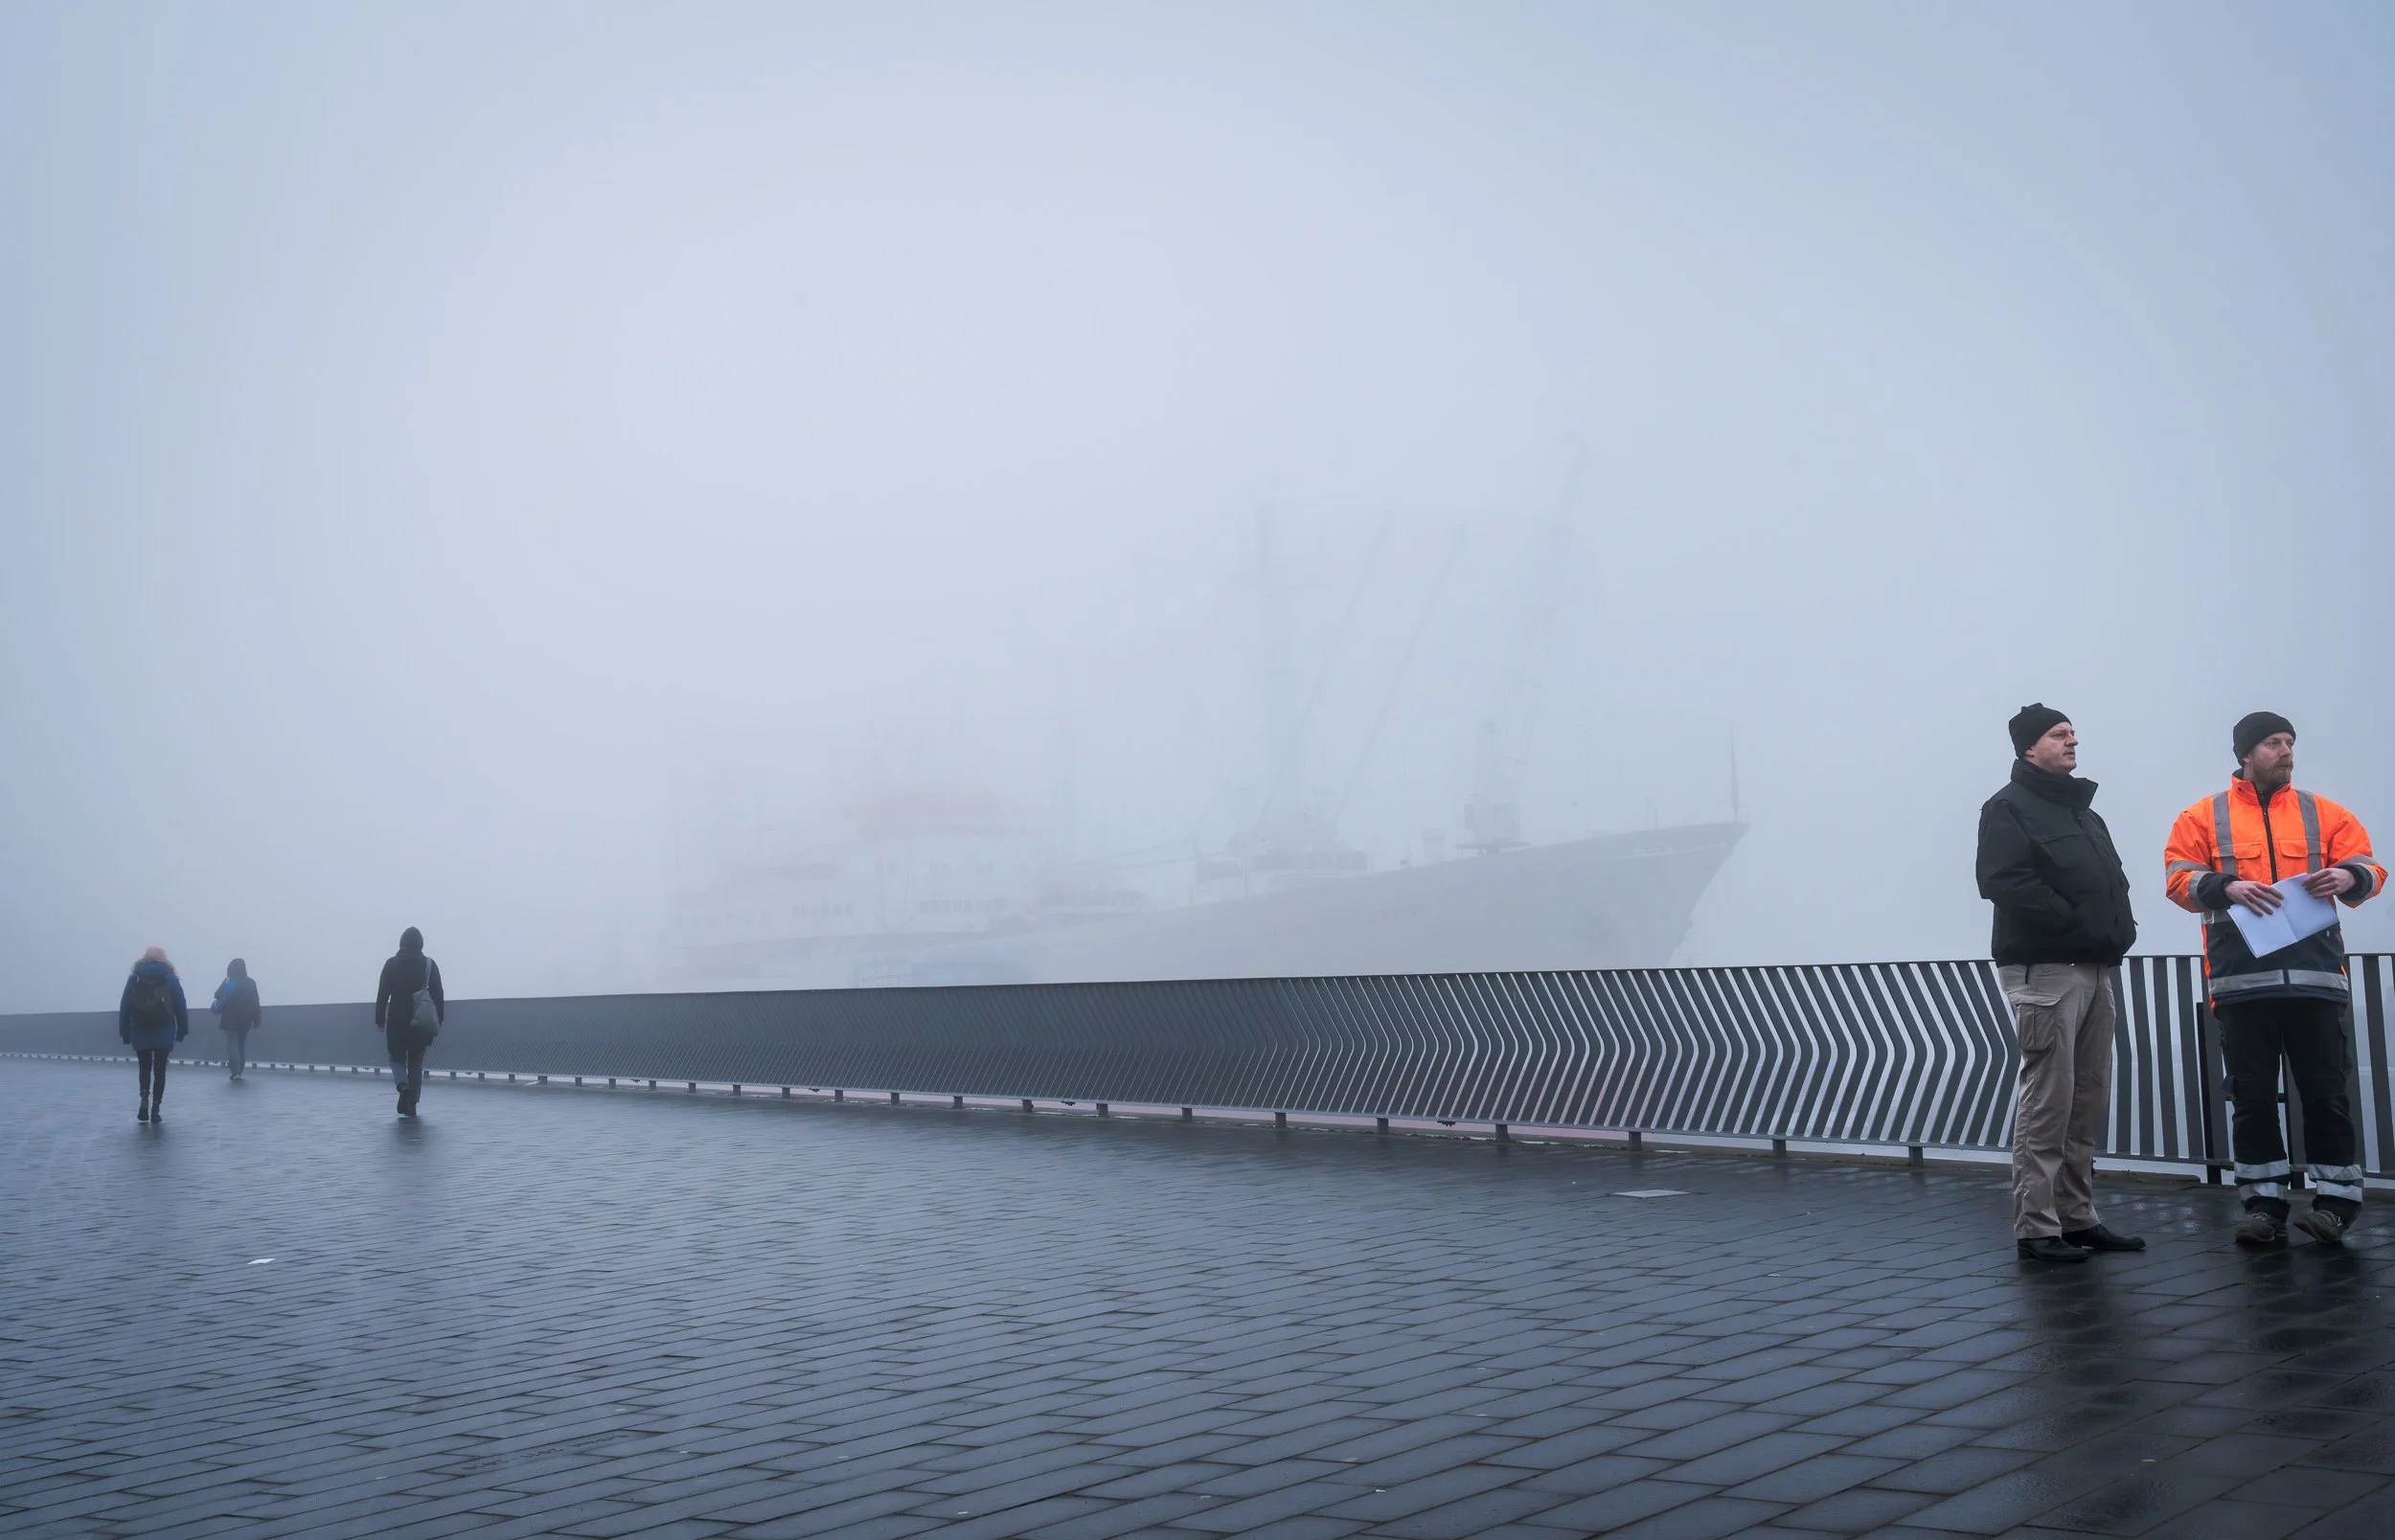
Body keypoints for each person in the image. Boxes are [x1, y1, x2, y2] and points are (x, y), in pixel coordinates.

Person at [2165, 712, 2384, 1248]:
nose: (2285, 750)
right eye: (2272, 742)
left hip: (2315, 980)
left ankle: (2336, 1204)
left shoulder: (2324, 812)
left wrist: (2350, 874)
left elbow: (2372, 869)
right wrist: (2226, 887)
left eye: (2289, 742)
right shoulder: (2202, 816)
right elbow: (2177, 878)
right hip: (2242, 984)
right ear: (2245, 754)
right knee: (2254, 1098)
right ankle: (2264, 1207)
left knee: (2326, 1094)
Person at [1975, 704, 2145, 1263]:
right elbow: (2004, 881)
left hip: (2095, 967)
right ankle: (2037, 1226)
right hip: (2046, 969)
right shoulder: (2007, 807)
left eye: (2073, 733)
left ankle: (2077, 1216)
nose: (2073, 741)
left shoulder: (2083, 814)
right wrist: (2077, 924)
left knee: (2087, 1098)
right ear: (2029, 748)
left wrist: (2120, 927)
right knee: (2048, 1100)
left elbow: (2108, 883)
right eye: (2058, 734)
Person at [374, 927, 445, 1118]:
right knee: (416, 1061)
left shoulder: (391, 964)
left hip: (397, 1018)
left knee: (396, 1057)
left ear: (401, 943)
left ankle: (402, 1086)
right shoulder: (429, 964)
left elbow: (382, 994)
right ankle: (412, 1104)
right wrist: (440, 1019)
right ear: (421, 944)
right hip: (420, 1020)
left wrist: (379, 1020)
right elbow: (438, 994)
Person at [119, 946, 190, 1123]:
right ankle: (156, 1108)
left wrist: (125, 1032)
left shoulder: (134, 978)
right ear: (164, 959)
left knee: (144, 1067)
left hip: (140, 1028)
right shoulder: (170, 978)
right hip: (163, 1029)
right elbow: (180, 1004)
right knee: (160, 1071)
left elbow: (125, 1006)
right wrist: (182, 1029)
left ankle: (144, 1099)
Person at [210, 959, 262, 1079]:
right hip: (246, 1018)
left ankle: (235, 1071)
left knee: (232, 1043)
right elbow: (256, 1001)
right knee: (241, 1044)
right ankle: (241, 1069)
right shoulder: (251, 983)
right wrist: (257, 1018)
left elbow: (217, 995)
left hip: (229, 1017)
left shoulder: (229, 981)